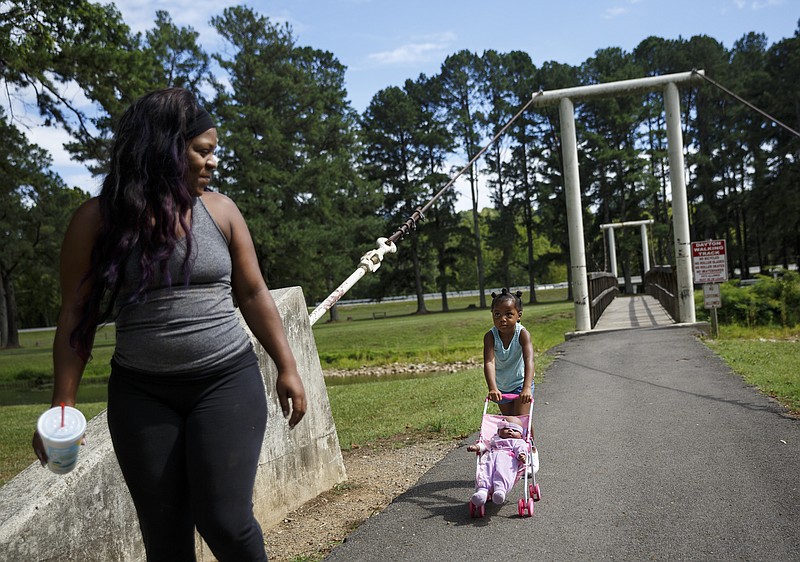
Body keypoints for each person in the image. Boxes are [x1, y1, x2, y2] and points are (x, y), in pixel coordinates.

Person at [31, 87, 306, 562]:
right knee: (166, 538)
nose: (213, 162)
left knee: (226, 522)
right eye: (203, 150)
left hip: (225, 382)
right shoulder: (97, 221)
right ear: (164, 150)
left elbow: (254, 292)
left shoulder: (220, 211)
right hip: (142, 395)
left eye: (213, 151)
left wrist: (287, 365)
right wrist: (63, 406)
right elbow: (77, 316)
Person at [482, 288, 535, 417]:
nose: (502, 319)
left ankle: (529, 438)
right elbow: (489, 362)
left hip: (520, 383)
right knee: (509, 421)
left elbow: (529, 360)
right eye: (497, 314)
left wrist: (526, 387)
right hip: (501, 387)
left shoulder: (522, 334)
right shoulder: (490, 336)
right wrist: (493, 388)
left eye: (508, 314)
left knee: (521, 419)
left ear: (519, 315)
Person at [467, 416, 537, 506]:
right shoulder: (494, 439)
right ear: (498, 431)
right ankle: (482, 491)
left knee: (503, 472)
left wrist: (521, 455)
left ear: (521, 435)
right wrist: (477, 447)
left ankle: (500, 489)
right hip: (490, 458)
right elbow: (485, 445)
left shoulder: (518, 441)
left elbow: (521, 449)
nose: (510, 431)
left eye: (515, 430)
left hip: (508, 459)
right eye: (507, 428)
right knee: (485, 473)